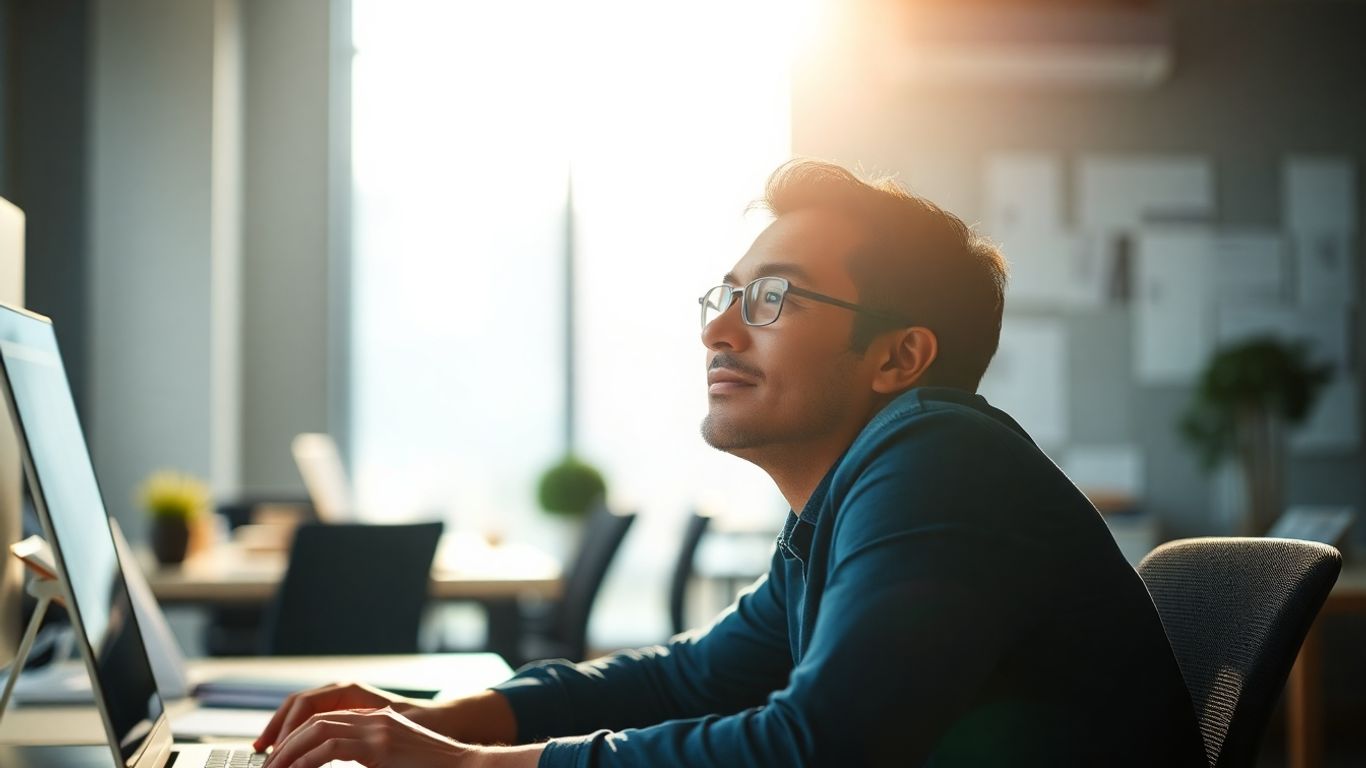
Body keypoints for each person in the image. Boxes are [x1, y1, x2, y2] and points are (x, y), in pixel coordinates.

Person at [254, 160, 1206, 767]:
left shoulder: (939, 460)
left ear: (896, 358)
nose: (717, 328)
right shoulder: (846, 501)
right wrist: (443, 718)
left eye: (774, 300)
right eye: (727, 295)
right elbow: (690, 679)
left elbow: (819, 746)